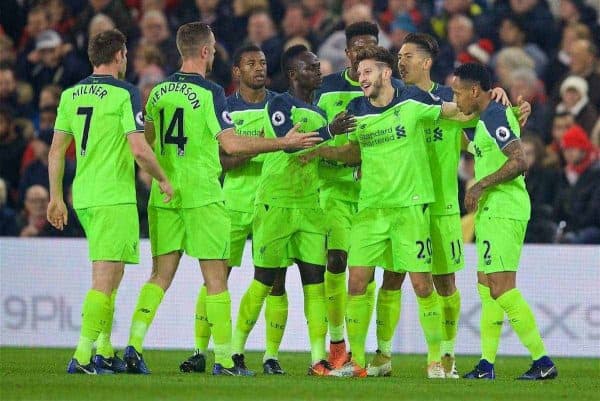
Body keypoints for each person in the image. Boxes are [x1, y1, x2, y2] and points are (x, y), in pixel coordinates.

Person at [122, 23, 323, 376]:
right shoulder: (212, 92)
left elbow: (148, 142)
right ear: (203, 51)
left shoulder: (157, 92)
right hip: (202, 193)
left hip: (166, 194)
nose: (214, 54)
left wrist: (162, 178)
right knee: (216, 278)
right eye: (213, 49)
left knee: (159, 275)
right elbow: (230, 145)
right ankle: (228, 360)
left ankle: (133, 347)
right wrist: (282, 143)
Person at [317, 45, 472, 378]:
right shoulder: (355, 110)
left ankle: (435, 360)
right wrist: (318, 152)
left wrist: (499, 107)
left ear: (386, 73)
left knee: (421, 285)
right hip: (370, 209)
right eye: (359, 74)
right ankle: (355, 362)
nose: (361, 78)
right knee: (356, 282)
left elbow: (457, 112)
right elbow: (354, 152)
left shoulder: (413, 101)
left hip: (409, 209)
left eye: (368, 72)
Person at [47, 29, 174, 375]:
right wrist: (162, 178)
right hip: (112, 196)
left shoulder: (71, 94)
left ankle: (102, 350)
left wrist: (56, 197)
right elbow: (137, 148)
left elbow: (57, 150)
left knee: (111, 274)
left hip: (84, 195)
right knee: (105, 278)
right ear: (120, 56)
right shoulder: (125, 93)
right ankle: (83, 356)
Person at [230, 44, 354, 377]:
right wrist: (330, 133)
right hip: (275, 203)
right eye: (311, 67)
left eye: (318, 67)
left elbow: (319, 155)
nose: (319, 72)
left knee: (315, 282)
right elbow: (289, 143)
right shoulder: (279, 104)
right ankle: (235, 352)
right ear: (293, 74)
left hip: (309, 206)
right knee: (264, 281)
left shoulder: (322, 113)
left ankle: (318, 358)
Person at [178, 44, 285, 375]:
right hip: (233, 203)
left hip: (273, 202)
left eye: (263, 62)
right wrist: (249, 153)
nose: (259, 68)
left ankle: (270, 355)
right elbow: (222, 158)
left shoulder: (280, 106)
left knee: (274, 281)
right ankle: (199, 350)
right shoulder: (224, 106)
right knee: (216, 276)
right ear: (237, 71)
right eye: (251, 63)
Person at [452, 62, 557, 380]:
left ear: (474, 91)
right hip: (491, 210)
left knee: (501, 288)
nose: (456, 99)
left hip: (504, 209)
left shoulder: (495, 114)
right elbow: (480, 146)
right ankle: (486, 364)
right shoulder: (489, 117)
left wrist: (481, 184)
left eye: (458, 93)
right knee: (487, 287)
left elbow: (518, 160)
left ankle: (542, 361)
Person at [313, 20, 404, 372]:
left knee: (385, 274)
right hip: (334, 190)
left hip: (375, 194)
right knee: (337, 261)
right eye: (358, 49)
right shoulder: (325, 89)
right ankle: (338, 343)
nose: (363, 54)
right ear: (347, 52)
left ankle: (379, 352)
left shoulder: (394, 91)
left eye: (371, 48)